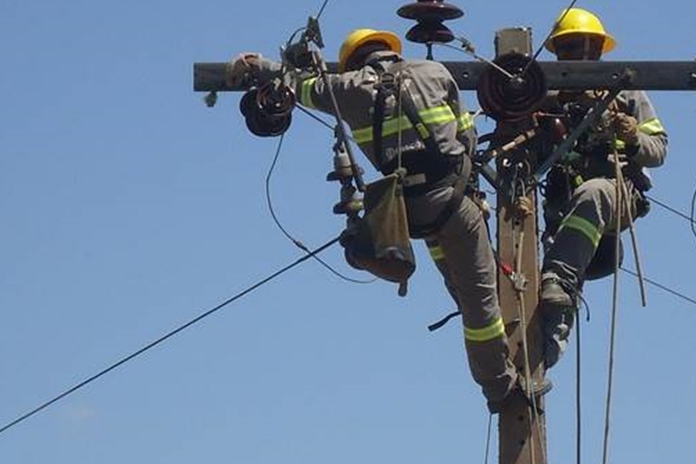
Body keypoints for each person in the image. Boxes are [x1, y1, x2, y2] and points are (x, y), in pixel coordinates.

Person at [229, 28, 550, 413]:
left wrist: (258, 65)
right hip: (453, 204)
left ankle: (496, 370)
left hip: (404, 216)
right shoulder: (434, 72)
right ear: (390, 50)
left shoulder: (346, 88)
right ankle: (501, 387)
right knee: (481, 302)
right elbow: (466, 137)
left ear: (353, 61)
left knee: (468, 297)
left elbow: (296, 84)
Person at [538, 9, 668, 368]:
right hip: (564, 203)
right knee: (546, 270)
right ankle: (544, 347)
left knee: (594, 192)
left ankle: (559, 282)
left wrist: (632, 134)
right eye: (568, 47)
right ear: (557, 52)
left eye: (585, 46)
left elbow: (659, 150)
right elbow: (525, 155)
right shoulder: (546, 93)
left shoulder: (624, 89)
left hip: (616, 192)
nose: (578, 54)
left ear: (598, 49)